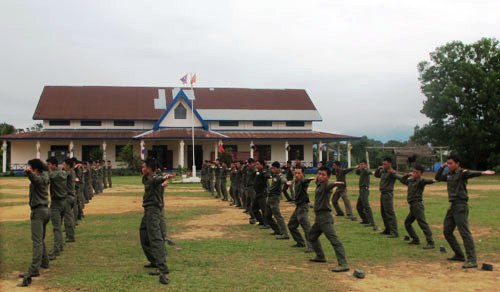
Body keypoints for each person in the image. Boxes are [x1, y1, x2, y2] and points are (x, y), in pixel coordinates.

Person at [435, 155, 495, 268]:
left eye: (451, 163)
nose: (449, 165)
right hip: (452, 205)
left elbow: (471, 173)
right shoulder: (448, 174)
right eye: (447, 163)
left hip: (460, 205)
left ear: (457, 164)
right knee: (447, 231)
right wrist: (442, 167)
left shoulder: (462, 173)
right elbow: (437, 178)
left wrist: (483, 172)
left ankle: (472, 260)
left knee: (465, 233)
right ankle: (459, 255)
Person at [308, 166, 349, 273]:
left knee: (334, 240)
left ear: (328, 177)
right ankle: (320, 256)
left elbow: (330, 185)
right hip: (319, 218)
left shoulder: (326, 185)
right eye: (319, 174)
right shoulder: (319, 184)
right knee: (312, 236)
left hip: (325, 217)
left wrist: (336, 183)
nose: (320, 176)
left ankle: (343, 263)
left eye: (323, 175)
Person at [18, 159, 50, 287]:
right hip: (45, 210)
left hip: (38, 211)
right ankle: (45, 262)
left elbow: (35, 180)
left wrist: (29, 173)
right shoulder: (44, 175)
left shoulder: (39, 178)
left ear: (35, 168)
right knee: (40, 239)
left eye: (30, 166)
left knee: (37, 241)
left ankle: (34, 270)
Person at [140, 158, 170, 285]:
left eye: (144, 167)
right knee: (144, 235)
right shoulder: (147, 178)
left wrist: (164, 178)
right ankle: (154, 261)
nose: (142, 169)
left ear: (150, 168)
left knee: (155, 238)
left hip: (153, 210)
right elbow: (152, 180)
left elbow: (157, 179)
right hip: (148, 210)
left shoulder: (155, 178)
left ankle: (162, 267)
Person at [398, 165, 435, 249]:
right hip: (412, 206)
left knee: (422, 223)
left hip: (417, 205)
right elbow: (402, 180)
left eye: (416, 173)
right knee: (407, 223)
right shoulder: (410, 181)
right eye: (413, 172)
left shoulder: (420, 181)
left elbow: (427, 181)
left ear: (420, 174)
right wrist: (408, 174)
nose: (414, 174)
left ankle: (430, 242)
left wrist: (433, 180)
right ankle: (415, 239)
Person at [287, 167, 314, 252]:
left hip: (303, 206)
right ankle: (300, 242)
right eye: (296, 173)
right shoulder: (296, 181)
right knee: (291, 225)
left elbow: (305, 181)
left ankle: (312, 246)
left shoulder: (303, 182)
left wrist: (309, 179)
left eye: (299, 173)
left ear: (303, 174)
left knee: (306, 227)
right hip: (298, 206)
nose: (297, 175)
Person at [46, 157, 67, 260]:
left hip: (56, 203)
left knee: (56, 228)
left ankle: (56, 250)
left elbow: (46, 176)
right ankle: (61, 246)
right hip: (64, 202)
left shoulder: (53, 174)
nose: (48, 166)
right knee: (60, 225)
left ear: (54, 165)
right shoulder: (63, 173)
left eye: (49, 164)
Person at [374, 157, 400, 238]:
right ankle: (387, 229)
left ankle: (394, 232)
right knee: (383, 212)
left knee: (389, 213)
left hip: (388, 194)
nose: (383, 165)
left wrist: (407, 177)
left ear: (389, 164)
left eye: (385, 164)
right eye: (383, 164)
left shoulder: (392, 172)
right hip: (382, 194)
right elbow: (376, 175)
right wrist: (379, 168)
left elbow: (399, 177)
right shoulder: (383, 171)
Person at [265, 161, 289, 239]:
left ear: (278, 168)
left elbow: (283, 179)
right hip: (270, 197)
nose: (273, 170)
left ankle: (285, 234)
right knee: (267, 215)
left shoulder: (280, 175)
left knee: (278, 216)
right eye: (272, 168)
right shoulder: (274, 174)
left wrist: (287, 182)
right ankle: (277, 230)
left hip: (275, 198)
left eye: (274, 168)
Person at [355, 160, 376, 229]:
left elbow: (370, 172)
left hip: (364, 190)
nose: (361, 166)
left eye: (362, 164)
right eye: (360, 164)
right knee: (359, 206)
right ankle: (365, 220)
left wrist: (373, 172)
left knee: (366, 206)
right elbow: (356, 172)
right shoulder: (361, 171)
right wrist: (357, 168)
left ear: (366, 165)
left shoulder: (366, 170)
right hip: (361, 191)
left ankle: (372, 222)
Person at [62, 158, 76, 243]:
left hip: (68, 197)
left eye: (64, 164)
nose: (63, 166)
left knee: (67, 218)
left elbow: (61, 176)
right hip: (70, 196)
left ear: (67, 165)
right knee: (68, 216)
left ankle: (70, 236)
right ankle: (69, 235)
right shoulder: (72, 171)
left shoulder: (69, 172)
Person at [254, 160, 270, 228]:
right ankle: (261, 221)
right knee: (254, 208)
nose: (256, 165)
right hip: (257, 193)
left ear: (262, 165)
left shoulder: (263, 171)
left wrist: (266, 174)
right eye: (256, 164)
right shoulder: (258, 172)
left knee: (263, 209)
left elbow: (268, 175)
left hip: (262, 192)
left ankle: (267, 224)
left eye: (258, 164)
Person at [245, 159, 258, 224]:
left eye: (249, 163)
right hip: (248, 187)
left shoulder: (255, 171)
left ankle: (255, 217)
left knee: (253, 203)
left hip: (252, 188)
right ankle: (252, 216)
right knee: (248, 203)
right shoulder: (248, 170)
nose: (248, 165)